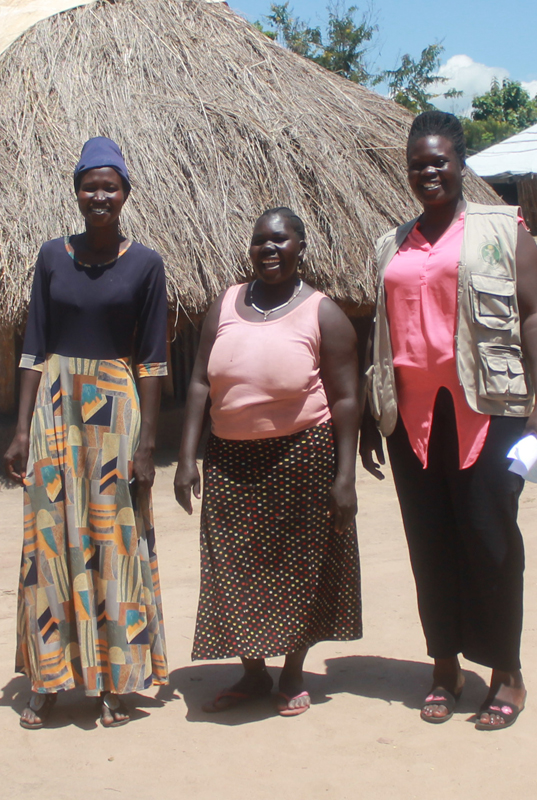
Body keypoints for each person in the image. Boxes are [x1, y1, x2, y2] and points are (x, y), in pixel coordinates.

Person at [360, 110, 537, 731]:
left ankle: (506, 673)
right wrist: (372, 411)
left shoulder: (503, 229)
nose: (429, 173)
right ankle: (444, 668)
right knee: (430, 542)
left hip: (488, 410)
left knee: (491, 541)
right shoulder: (390, 243)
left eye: (439, 161)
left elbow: (533, 316)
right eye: (418, 164)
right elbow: (379, 331)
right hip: (412, 419)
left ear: (460, 163)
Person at [3, 137, 168, 729]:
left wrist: (147, 445)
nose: (100, 196)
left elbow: (153, 360)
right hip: (55, 406)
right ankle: (49, 679)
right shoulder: (52, 256)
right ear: (76, 192)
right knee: (50, 538)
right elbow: (32, 346)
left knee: (113, 539)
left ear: (126, 193)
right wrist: (20, 429)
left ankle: (113, 680)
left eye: (110, 186)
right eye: (89, 186)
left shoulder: (146, 264)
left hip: (116, 410)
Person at [174, 207, 362, 717]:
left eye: (280, 240)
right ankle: (253, 672)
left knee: (299, 566)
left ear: (301, 246)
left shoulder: (323, 313)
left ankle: (293, 671)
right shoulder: (226, 303)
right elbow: (199, 382)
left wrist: (345, 477)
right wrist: (187, 456)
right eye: (260, 241)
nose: (269, 249)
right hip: (229, 459)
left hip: (302, 457)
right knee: (233, 566)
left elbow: (347, 398)